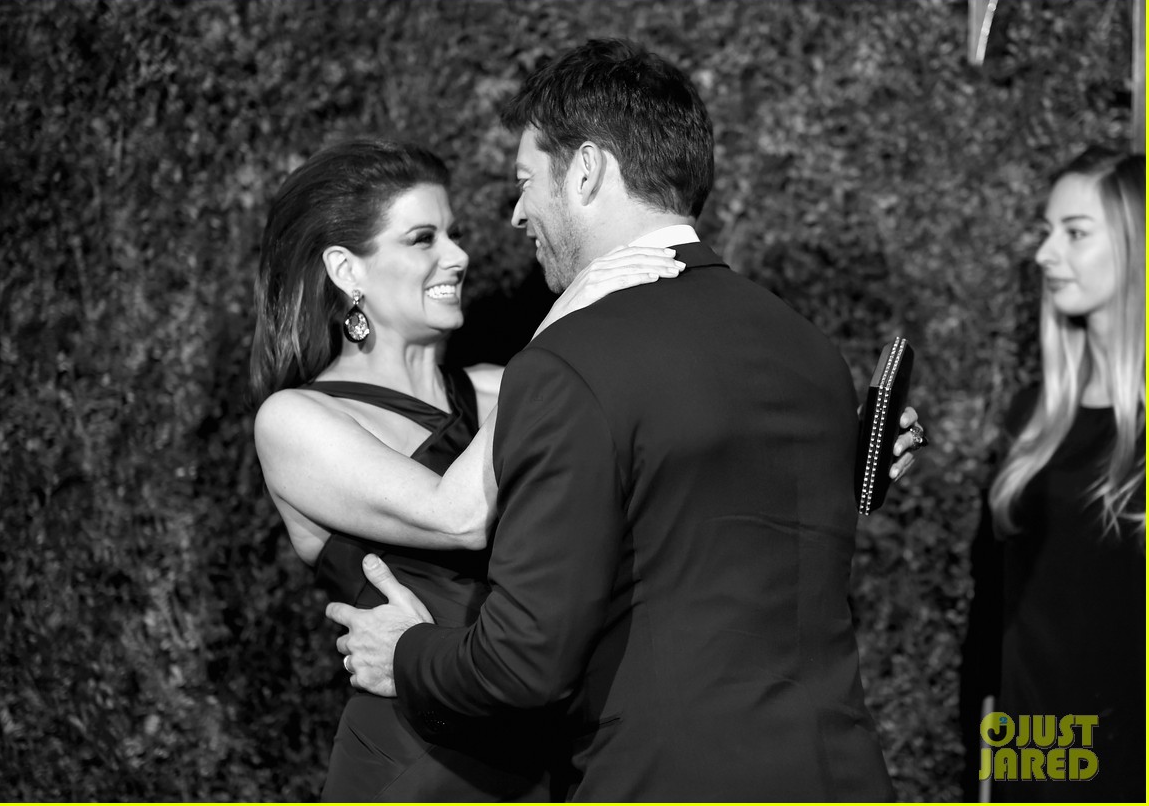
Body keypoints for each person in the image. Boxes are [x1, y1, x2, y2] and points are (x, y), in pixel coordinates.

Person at [329, 39, 910, 801]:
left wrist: (406, 654)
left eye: (526, 182)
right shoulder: (808, 350)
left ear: (589, 170)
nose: (516, 213)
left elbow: (521, 664)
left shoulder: (571, 362)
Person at [250, 137, 688, 799]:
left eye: (453, 234)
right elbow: (455, 516)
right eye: (422, 238)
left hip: (545, 758)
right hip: (413, 761)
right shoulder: (295, 421)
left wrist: (829, 446)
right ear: (347, 269)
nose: (458, 256)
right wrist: (569, 319)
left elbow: (669, 473)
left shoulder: (501, 388)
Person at [960, 148, 1145, 802]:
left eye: (1075, 232)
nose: (1044, 254)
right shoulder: (1030, 420)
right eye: (1046, 231)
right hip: (1037, 761)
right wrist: (989, 772)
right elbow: (995, 622)